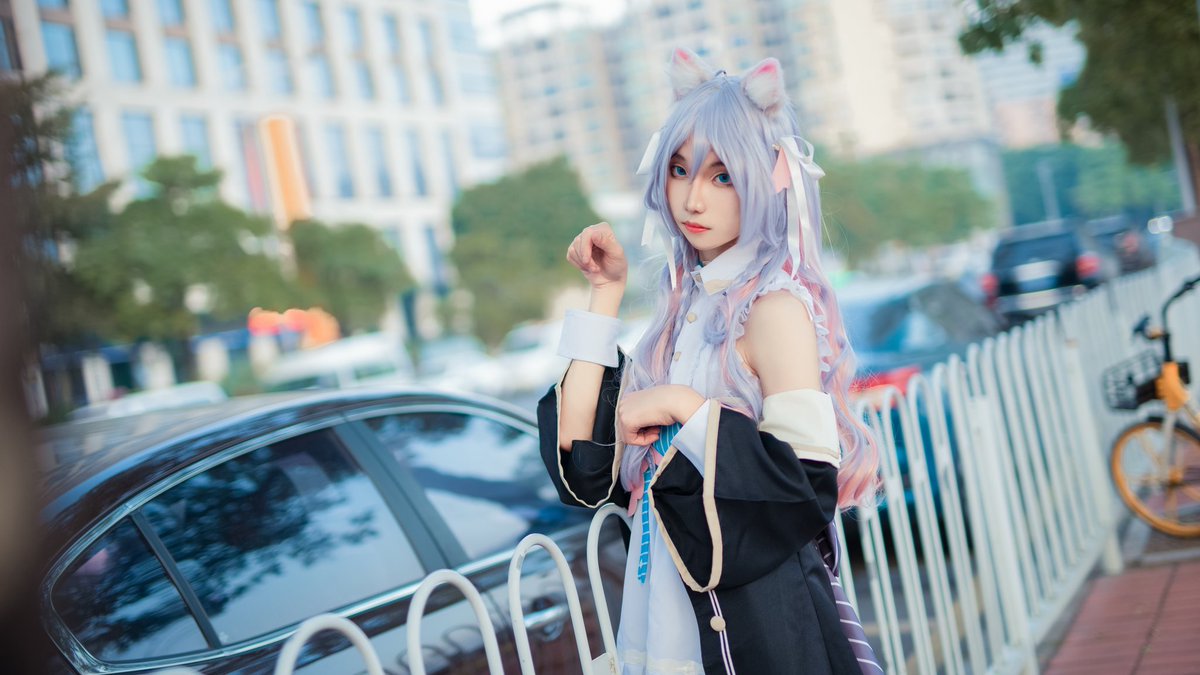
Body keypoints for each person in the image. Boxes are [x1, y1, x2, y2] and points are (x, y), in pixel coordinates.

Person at [537, 48, 882, 674]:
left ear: (766, 178)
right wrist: (604, 295)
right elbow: (582, 462)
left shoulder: (774, 308)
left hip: (758, 628)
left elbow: (806, 488)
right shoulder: (680, 314)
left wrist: (683, 407)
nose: (693, 199)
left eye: (722, 176)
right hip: (663, 611)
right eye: (679, 170)